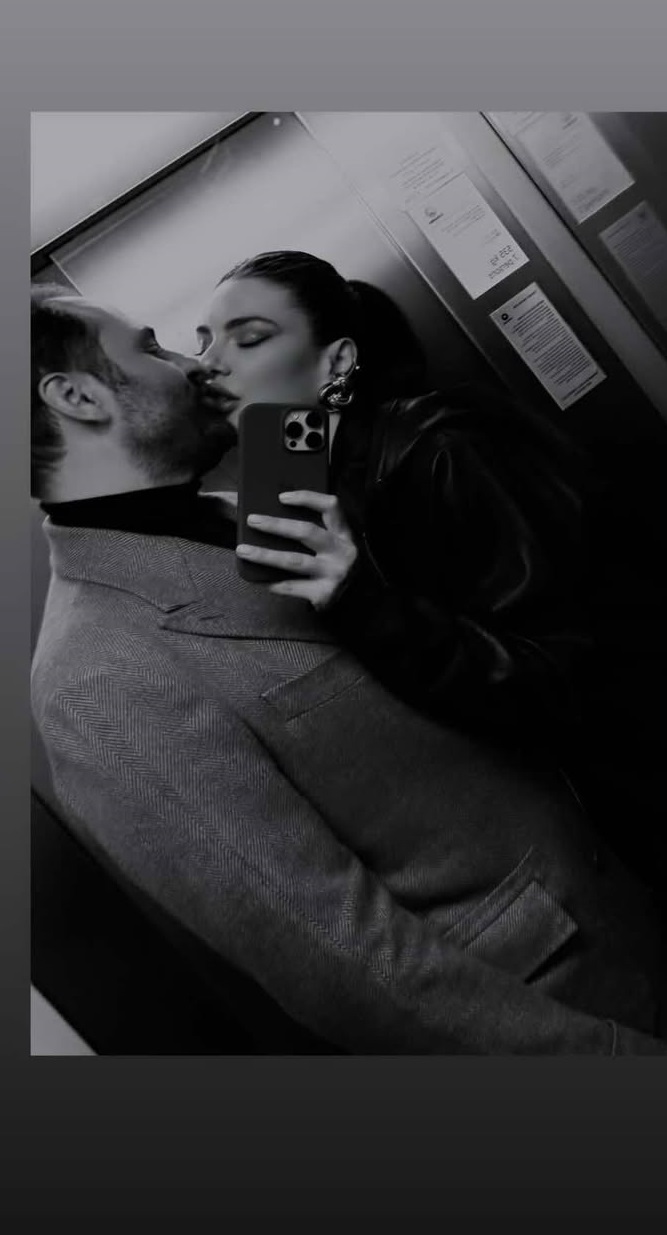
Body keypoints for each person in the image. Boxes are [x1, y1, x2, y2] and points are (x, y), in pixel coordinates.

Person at [30, 283, 667, 1055]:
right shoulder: (96, 683)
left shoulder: (249, 510)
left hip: (623, 897)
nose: (191, 365)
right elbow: (349, 966)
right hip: (574, 1012)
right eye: (152, 347)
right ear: (76, 396)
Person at [196, 251, 591, 764]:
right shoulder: (321, 480)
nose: (208, 364)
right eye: (203, 342)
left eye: (248, 338)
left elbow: (573, 673)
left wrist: (359, 600)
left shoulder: (445, 448)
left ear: (338, 362)